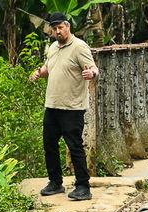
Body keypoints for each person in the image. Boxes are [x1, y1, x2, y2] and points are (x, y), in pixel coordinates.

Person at [30, 12, 99, 201]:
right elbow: (49, 68)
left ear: (68, 26)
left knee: (74, 146)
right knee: (49, 145)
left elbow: (93, 68)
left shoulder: (79, 47)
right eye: (54, 28)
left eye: (60, 27)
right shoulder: (53, 47)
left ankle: (83, 186)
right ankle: (55, 182)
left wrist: (92, 74)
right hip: (52, 105)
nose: (58, 31)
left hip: (72, 107)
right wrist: (39, 73)